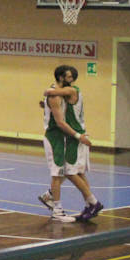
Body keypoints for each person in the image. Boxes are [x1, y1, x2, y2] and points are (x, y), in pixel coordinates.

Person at [39, 65, 103, 223]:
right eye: (69, 77)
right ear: (61, 77)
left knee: (71, 172)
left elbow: (50, 92)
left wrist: (48, 93)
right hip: (70, 136)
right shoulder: (59, 94)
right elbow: (56, 114)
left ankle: (90, 203)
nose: (72, 79)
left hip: (76, 136)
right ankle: (89, 203)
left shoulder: (70, 91)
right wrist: (47, 104)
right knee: (72, 172)